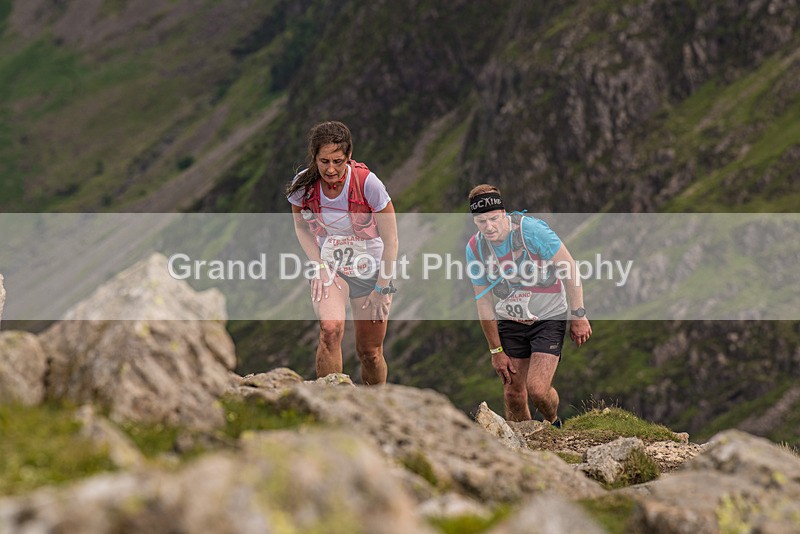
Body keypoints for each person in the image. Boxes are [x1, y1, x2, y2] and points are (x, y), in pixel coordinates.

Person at [465, 184, 591, 426]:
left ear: (503, 213)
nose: (489, 227)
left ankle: (553, 423)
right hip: (511, 320)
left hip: (549, 316)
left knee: (538, 390)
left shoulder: (531, 231)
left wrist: (578, 315)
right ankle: (525, 447)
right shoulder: (476, 248)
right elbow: (483, 303)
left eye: (493, 219)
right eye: (482, 222)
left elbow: (569, 267)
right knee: (513, 394)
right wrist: (496, 351)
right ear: (475, 222)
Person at [286, 121, 398, 385]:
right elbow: (301, 228)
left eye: (338, 160)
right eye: (323, 161)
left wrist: (382, 287)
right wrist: (319, 265)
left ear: (348, 157)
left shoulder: (368, 184)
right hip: (331, 266)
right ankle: (331, 404)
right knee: (330, 330)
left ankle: (375, 407)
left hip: (370, 269)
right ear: (314, 158)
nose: (331, 169)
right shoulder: (303, 185)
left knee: (370, 353)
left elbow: (391, 239)